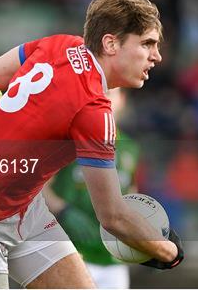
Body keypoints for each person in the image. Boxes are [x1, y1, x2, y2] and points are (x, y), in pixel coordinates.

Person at [0, 0, 184, 288]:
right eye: (147, 43)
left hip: (24, 208)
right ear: (110, 43)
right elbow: (112, 216)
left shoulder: (60, 44)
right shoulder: (94, 111)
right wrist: (168, 251)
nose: (157, 56)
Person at [43, 87, 141, 288]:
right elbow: (39, 189)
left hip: (113, 259)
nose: (104, 101)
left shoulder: (130, 148)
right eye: (99, 95)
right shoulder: (70, 141)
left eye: (110, 94)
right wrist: (64, 211)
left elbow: (131, 192)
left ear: (121, 100)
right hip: (72, 252)